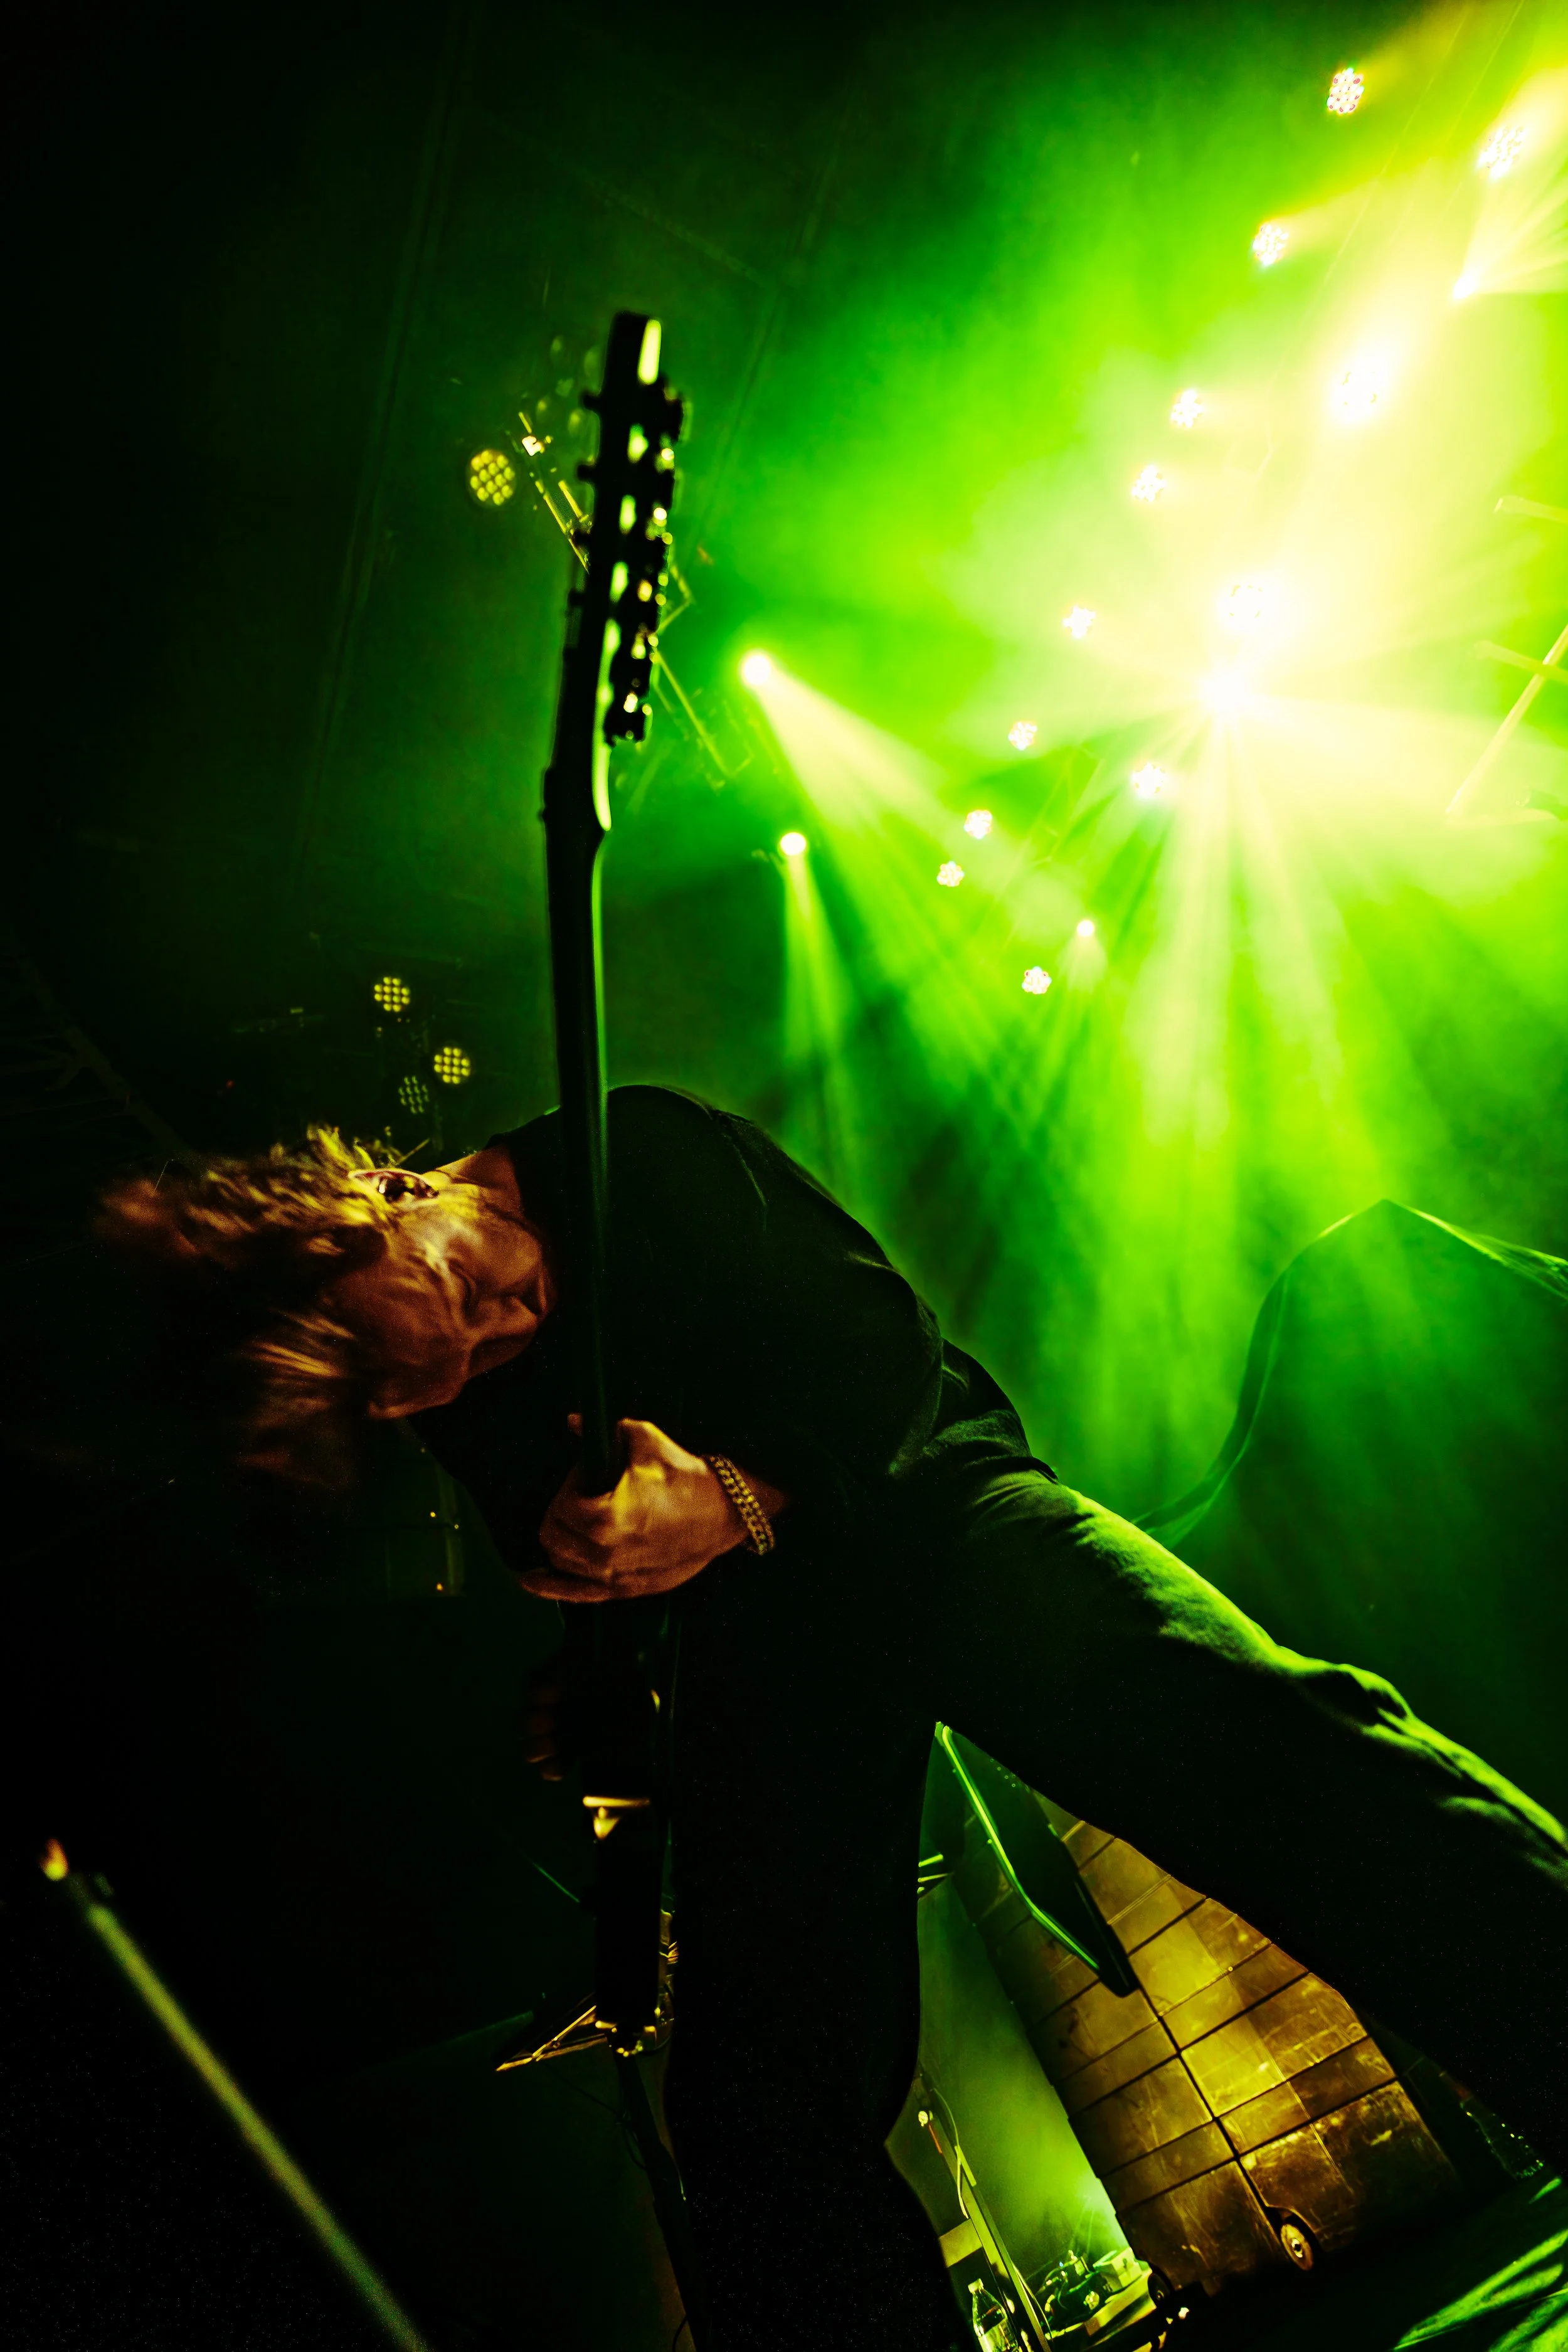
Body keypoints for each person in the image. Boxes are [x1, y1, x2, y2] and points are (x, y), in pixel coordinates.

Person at [101, 1082, 1568, 2351]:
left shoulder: (640, 1149)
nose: (501, 1336)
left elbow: (883, 1355)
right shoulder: (443, 1383)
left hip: (935, 1525)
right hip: (765, 1660)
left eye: (470, 1296)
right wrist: (601, 1687)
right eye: (463, 1372)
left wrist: (735, 1499)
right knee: (759, 2118)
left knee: (1287, 1762)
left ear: (382, 1197)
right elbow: (590, 1571)